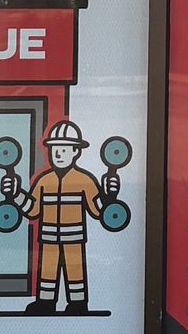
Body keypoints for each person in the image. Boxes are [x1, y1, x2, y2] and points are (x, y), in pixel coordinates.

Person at [9, 120, 114, 314]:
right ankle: (45, 302)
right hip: (48, 238)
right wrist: (16, 194)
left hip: (74, 238)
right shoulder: (43, 180)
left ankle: (78, 303)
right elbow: (33, 210)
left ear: (76, 152)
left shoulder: (85, 180)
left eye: (64, 150)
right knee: (47, 271)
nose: (58, 154)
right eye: (55, 149)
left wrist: (110, 195)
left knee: (76, 272)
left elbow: (99, 211)